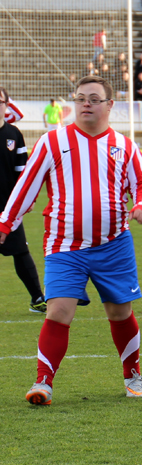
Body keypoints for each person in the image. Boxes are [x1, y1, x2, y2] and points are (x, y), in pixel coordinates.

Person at [0, 76, 142, 405]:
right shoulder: (52, 141)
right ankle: (43, 382)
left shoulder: (125, 145)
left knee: (119, 313)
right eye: (81, 98)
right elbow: (26, 187)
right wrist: (5, 222)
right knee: (57, 311)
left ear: (109, 106)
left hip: (113, 245)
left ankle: (132, 373)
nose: (86, 103)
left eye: (94, 98)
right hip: (64, 245)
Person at [0, 87, 46, 312]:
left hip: (8, 208)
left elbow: (23, 172)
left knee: (20, 251)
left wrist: (26, 199)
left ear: (6, 105)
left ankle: (37, 298)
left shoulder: (14, 134)